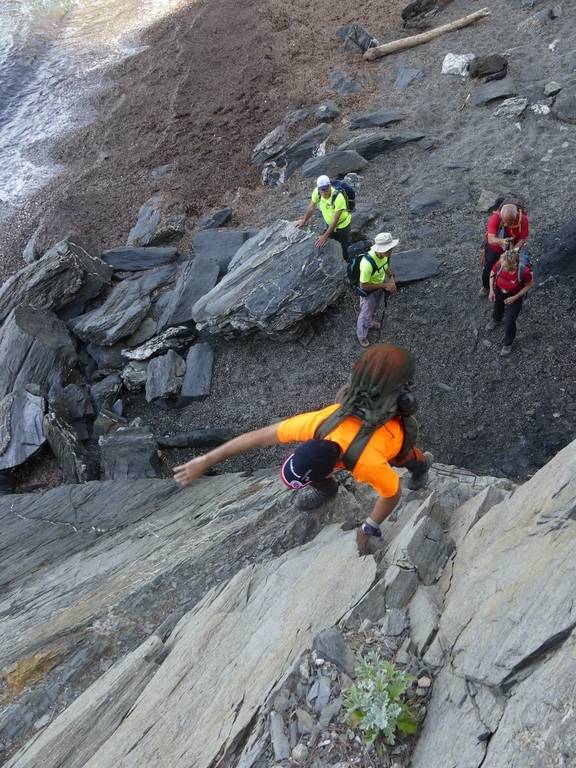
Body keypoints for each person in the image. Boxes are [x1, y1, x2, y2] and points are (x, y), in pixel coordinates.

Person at [173, 344, 432, 555]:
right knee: (321, 470)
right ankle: (327, 489)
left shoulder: (366, 463)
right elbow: (258, 437)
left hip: (392, 442)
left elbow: (392, 495)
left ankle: (422, 468)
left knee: (407, 457)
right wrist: (206, 460)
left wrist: (369, 527)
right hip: (361, 443)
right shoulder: (321, 423)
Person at [486, 246, 533, 355]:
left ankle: (508, 344)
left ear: (514, 265)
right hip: (499, 291)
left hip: (514, 296)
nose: (502, 267)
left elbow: (529, 285)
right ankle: (496, 319)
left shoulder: (523, 272)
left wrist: (515, 297)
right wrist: (491, 291)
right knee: (498, 306)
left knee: (510, 321)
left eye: (505, 266)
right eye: (502, 264)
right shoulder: (500, 264)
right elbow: (492, 274)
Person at [357, 232, 398, 348]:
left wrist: (391, 277)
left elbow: (385, 267)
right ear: (380, 249)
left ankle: (369, 323)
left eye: (391, 249)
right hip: (369, 291)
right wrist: (384, 286)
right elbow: (363, 286)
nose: (391, 252)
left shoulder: (383, 255)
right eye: (388, 250)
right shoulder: (367, 264)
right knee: (365, 312)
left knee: (373, 308)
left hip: (378, 287)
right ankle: (362, 335)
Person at [296, 175, 352, 261]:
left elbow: (335, 219)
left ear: (330, 186)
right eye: (321, 190)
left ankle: (346, 260)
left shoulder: (338, 197)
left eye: (326, 189)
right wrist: (304, 221)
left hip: (343, 225)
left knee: (344, 245)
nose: (323, 193)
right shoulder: (317, 192)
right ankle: (334, 259)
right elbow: (311, 208)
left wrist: (325, 236)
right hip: (329, 223)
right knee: (332, 242)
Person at [480, 202, 529, 296]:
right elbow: (491, 239)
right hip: (495, 247)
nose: (506, 224)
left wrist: (513, 251)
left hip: (512, 247)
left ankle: (508, 286)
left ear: (516, 216)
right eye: (505, 221)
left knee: (511, 268)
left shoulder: (523, 219)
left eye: (509, 222)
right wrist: (502, 242)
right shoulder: (495, 218)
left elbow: (522, 239)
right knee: (489, 267)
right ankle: (486, 286)